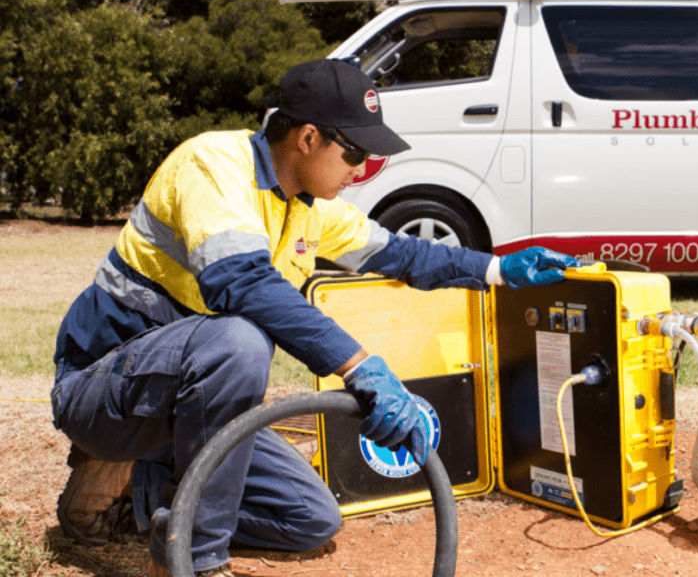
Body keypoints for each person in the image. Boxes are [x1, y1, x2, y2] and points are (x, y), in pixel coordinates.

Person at [50, 58, 579, 577]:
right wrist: (359, 366)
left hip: (189, 407)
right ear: (307, 138)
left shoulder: (308, 205)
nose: (361, 169)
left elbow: (403, 255)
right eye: (356, 153)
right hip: (106, 395)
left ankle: (142, 490)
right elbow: (240, 281)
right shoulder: (213, 165)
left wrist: (499, 268)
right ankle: (195, 555)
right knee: (240, 341)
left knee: (310, 519)